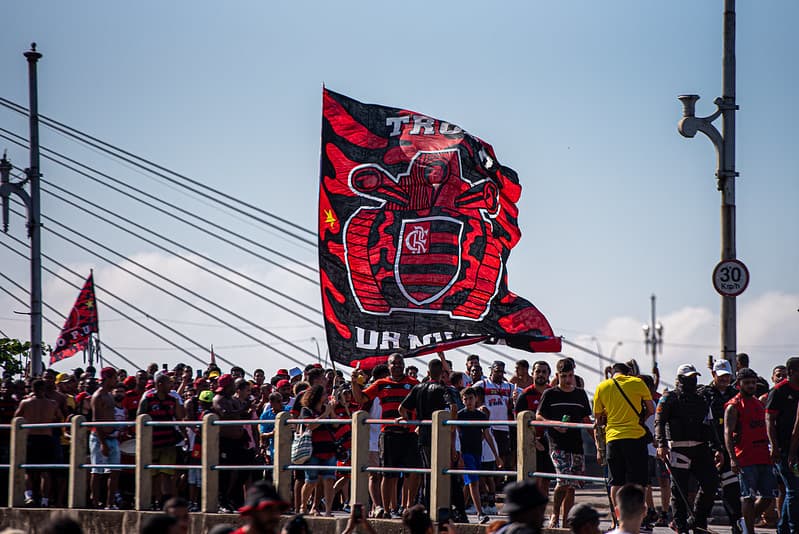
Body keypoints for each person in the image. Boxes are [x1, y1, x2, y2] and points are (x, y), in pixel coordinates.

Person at [655, 363, 721, 534]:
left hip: (700, 448)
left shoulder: (702, 399)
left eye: (694, 377)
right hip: (678, 448)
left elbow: (710, 424)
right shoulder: (669, 398)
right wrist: (661, 444)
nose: (692, 380)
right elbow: (659, 422)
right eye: (689, 377)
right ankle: (680, 525)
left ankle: (697, 521)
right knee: (679, 490)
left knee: (711, 483)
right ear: (680, 379)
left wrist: (717, 448)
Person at [351, 353, 419, 517]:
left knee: (414, 472)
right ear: (388, 366)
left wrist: (417, 425)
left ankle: (408, 506)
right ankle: (386, 509)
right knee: (388, 473)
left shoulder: (414, 383)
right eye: (393, 363)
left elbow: (420, 405)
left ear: (404, 365)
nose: (397, 366)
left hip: (409, 434)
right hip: (388, 433)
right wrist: (354, 382)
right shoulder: (380, 384)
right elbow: (361, 399)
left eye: (399, 363)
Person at [536, 358, 593, 529]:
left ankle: (567, 520)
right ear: (557, 376)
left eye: (570, 375)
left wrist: (598, 443)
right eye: (564, 376)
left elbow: (586, 419)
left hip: (576, 444)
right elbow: (538, 416)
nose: (568, 380)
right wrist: (554, 424)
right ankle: (555, 514)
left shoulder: (580, 394)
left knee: (572, 485)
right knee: (563, 480)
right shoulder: (550, 393)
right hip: (556, 443)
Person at [593, 362, 654, 509]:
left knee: (616, 482)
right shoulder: (637, 382)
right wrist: (641, 419)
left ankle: (619, 519)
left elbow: (598, 416)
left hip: (613, 439)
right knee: (638, 482)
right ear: (629, 373)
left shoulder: (602, 386)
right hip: (635, 437)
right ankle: (637, 517)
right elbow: (651, 409)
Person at [725, 368, 779, 534]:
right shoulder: (733, 406)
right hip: (745, 457)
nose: (751, 386)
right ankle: (749, 530)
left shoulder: (759, 403)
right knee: (748, 497)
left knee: (769, 496)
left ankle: (744, 521)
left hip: (763, 455)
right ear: (739, 384)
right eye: (747, 383)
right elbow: (727, 433)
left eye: (753, 383)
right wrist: (732, 458)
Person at [399, 358, 457, 507]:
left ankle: (428, 503)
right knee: (441, 469)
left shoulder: (418, 388)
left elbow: (402, 408)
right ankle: (438, 504)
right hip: (440, 434)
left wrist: (407, 421)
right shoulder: (442, 388)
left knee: (427, 470)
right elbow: (454, 407)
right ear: (441, 373)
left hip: (423, 433)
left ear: (428, 372)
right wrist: (451, 426)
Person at [700, 358, 743, 532]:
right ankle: (698, 524)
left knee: (732, 490)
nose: (725, 379)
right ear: (713, 374)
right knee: (707, 490)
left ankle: (736, 526)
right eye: (721, 376)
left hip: (730, 449)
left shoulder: (735, 394)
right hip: (709, 449)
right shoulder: (704, 394)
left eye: (727, 375)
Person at [138, 370, 186, 510]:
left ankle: (164, 503)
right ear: (159, 384)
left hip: (168, 442)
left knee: (166, 473)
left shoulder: (173, 400)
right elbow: (140, 417)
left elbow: (179, 418)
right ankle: (153, 500)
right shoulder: (147, 398)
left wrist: (185, 435)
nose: (170, 385)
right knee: (153, 474)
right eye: (167, 383)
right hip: (152, 443)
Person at [14, 378, 63, 507]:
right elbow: (59, 418)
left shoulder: (25, 403)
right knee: (45, 472)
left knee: (28, 470)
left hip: (31, 437)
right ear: (43, 389)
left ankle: (29, 496)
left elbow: (16, 417)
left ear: (32, 388)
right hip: (46, 438)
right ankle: (45, 501)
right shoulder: (52, 404)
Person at [457, 386, 502, 524]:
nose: (468, 401)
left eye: (471, 398)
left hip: (477, 452)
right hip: (465, 453)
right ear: (462, 400)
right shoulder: (459, 415)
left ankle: (460, 510)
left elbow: (487, 436)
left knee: (469, 483)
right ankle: (480, 512)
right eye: (465, 399)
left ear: (476, 399)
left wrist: (496, 456)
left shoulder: (481, 415)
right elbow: (456, 435)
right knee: (474, 482)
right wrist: (458, 455)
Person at [766, 356, 799, 534]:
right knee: (793, 489)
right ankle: (793, 528)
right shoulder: (778, 391)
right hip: (784, 448)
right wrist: (774, 446)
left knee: (794, 489)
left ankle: (783, 528)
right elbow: (769, 419)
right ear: (792, 372)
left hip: (797, 447)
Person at [515, 360, 555, 500]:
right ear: (532, 373)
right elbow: (518, 421)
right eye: (538, 371)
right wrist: (533, 441)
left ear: (549, 374)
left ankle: (542, 510)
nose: (541, 375)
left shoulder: (553, 393)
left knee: (546, 479)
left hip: (551, 442)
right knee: (534, 479)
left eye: (544, 372)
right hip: (532, 443)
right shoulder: (525, 395)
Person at [473, 361, 515, 490]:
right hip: (488, 427)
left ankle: (497, 485)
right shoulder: (483, 384)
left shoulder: (509, 387)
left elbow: (521, 392)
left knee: (503, 457)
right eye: (497, 370)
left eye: (502, 371)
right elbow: (469, 393)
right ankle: (487, 487)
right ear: (491, 370)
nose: (499, 373)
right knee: (489, 456)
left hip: (503, 426)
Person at [298, 384, 337, 516]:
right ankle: (303, 506)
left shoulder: (326, 408)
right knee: (311, 480)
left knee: (329, 479)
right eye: (324, 394)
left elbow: (336, 424)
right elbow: (311, 425)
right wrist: (325, 414)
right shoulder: (306, 410)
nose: (326, 396)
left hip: (329, 448)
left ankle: (328, 510)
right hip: (313, 449)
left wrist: (331, 410)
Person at [89, 367, 121, 509]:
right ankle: (95, 501)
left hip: (112, 437)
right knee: (97, 472)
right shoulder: (98, 396)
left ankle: (110, 503)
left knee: (114, 472)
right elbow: (96, 420)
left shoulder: (109, 395)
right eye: (114, 377)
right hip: (99, 437)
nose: (116, 380)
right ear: (107, 378)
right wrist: (102, 443)